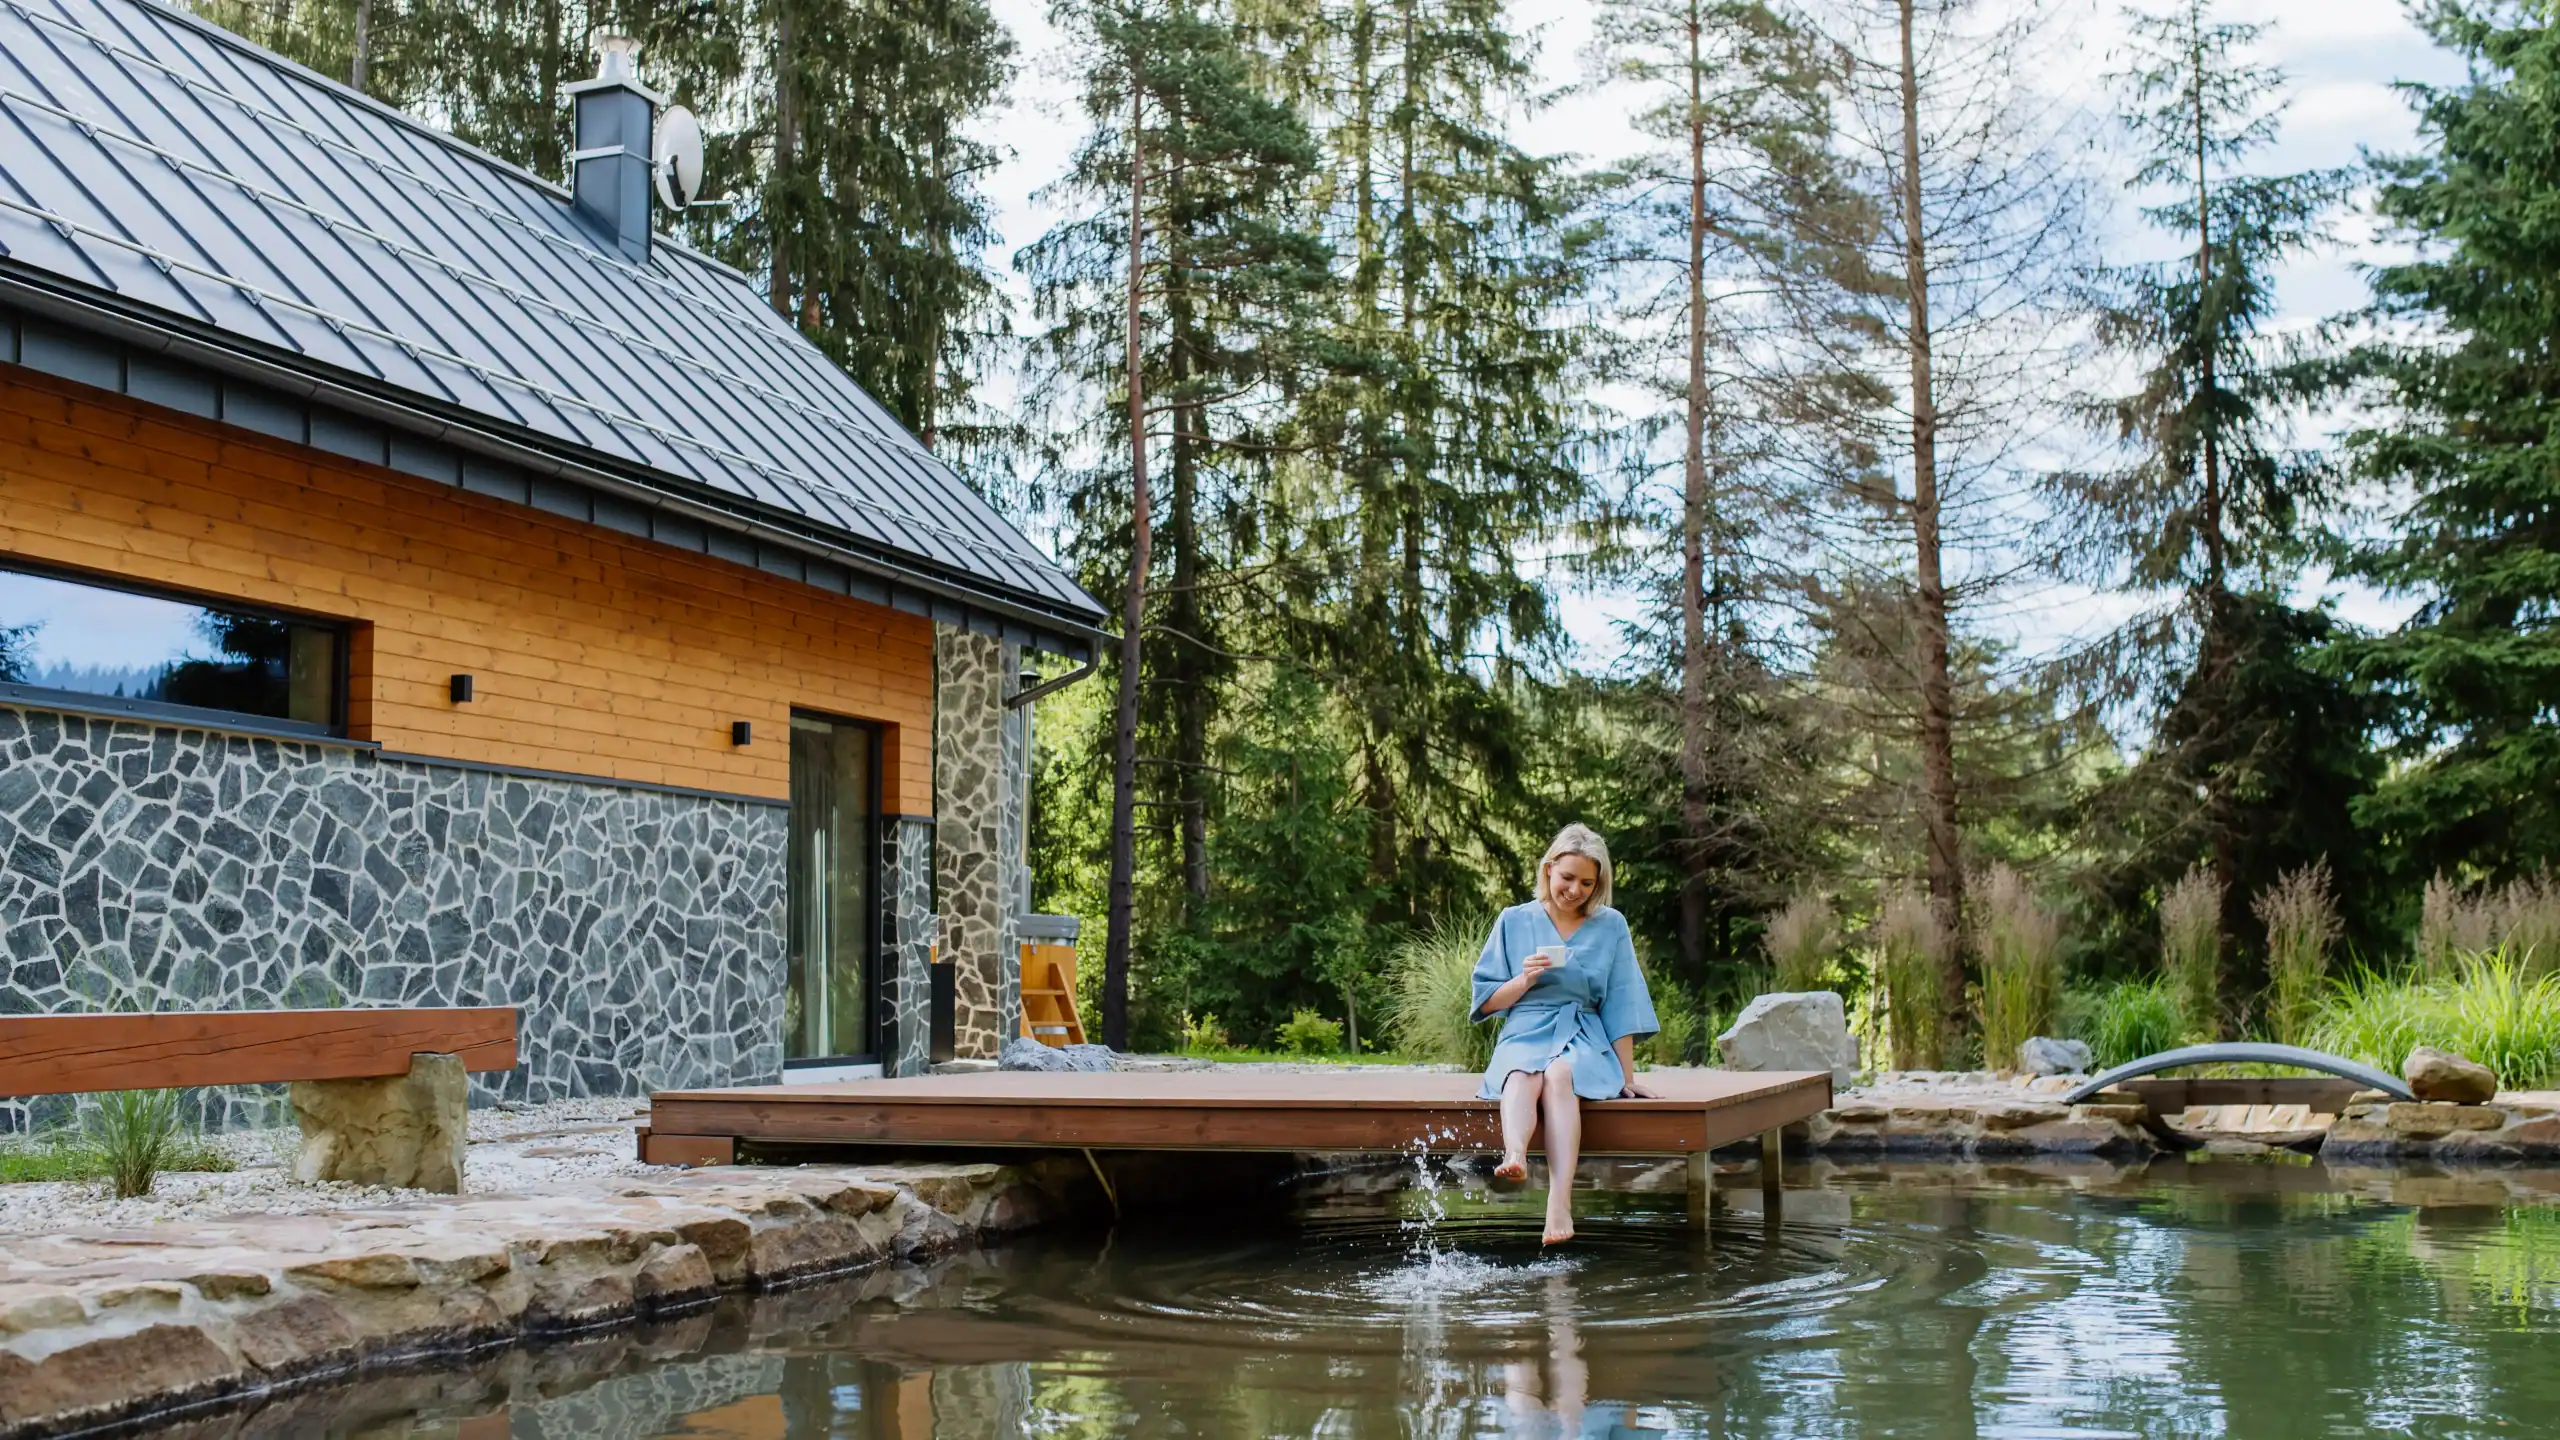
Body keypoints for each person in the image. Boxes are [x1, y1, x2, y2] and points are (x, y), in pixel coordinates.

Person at [1470, 823, 1661, 1245]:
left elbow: (1621, 1003)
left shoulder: (1611, 926)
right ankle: (1515, 1155)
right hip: (1525, 1025)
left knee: (1560, 1075)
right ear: (1548, 869)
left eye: (1587, 882)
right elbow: (1485, 1001)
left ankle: (1559, 1203)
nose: (1575, 889)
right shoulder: (1513, 920)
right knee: (1521, 1073)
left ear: (1599, 884)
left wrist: (1626, 1079)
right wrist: (1522, 982)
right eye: (1567, 878)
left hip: (1584, 1032)